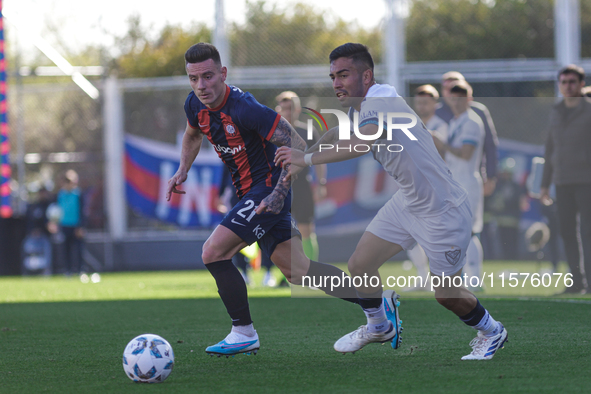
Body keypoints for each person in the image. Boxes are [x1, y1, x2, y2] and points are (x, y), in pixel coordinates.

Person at [275, 43, 507, 360]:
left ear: (366, 75)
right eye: (333, 76)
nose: (336, 83)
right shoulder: (366, 105)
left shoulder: (381, 99)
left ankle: (492, 331)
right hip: (409, 202)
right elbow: (345, 135)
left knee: (447, 295)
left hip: (443, 210)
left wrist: (307, 157)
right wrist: (311, 149)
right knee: (360, 265)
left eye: (344, 74)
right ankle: (379, 325)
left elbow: (360, 142)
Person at [165, 43, 389, 358]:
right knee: (298, 269)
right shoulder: (194, 105)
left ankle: (243, 332)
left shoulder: (247, 108)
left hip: (267, 190)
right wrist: (182, 170)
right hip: (251, 195)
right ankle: (377, 302)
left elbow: (297, 145)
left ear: (223, 74)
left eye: (208, 76)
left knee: (213, 252)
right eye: (193, 79)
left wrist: (278, 193)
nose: (201, 86)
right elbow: (192, 134)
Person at [541, 64, 591, 294]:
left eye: (572, 81)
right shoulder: (555, 111)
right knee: (567, 232)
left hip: (586, 181)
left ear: (581, 84)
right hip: (562, 182)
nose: (568, 86)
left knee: (588, 233)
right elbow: (550, 148)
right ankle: (576, 282)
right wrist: (544, 184)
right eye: (564, 82)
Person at [431, 80, 486, 289]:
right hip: (456, 182)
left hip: (468, 181)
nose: (456, 102)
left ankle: (476, 279)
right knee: (457, 231)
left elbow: (465, 153)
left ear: (469, 99)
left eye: (461, 98)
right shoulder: (456, 122)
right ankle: (464, 278)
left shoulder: (471, 121)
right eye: (453, 98)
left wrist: (441, 144)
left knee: (470, 230)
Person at [436, 71, 499, 197]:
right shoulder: (436, 113)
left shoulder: (477, 113)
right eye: (447, 88)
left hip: (470, 176)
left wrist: (491, 176)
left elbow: (489, 145)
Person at [57, 170, 85, 276]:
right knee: (66, 250)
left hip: (76, 226)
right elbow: (56, 211)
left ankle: (80, 270)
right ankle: (67, 271)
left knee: (78, 250)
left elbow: (82, 211)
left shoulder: (78, 194)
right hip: (64, 226)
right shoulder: (60, 195)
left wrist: (81, 226)